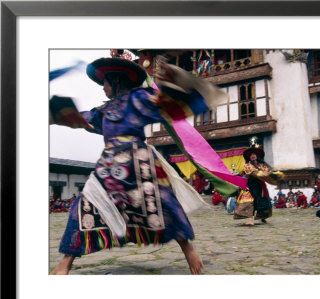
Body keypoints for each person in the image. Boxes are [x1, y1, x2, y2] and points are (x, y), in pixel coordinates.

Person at [50, 50, 230, 275]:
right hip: (108, 167)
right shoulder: (103, 111)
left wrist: (174, 80)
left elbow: (173, 104)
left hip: (139, 162)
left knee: (164, 203)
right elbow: (79, 118)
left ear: (116, 81)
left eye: (105, 83)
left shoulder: (140, 99)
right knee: (85, 204)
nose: (103, 88)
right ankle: (67, 261)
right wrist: (53, 111)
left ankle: (188, 248)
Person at [233, 137, 284, 226]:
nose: (252, 156)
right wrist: (263, 174)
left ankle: (263, 218)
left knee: (264, 202)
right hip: (250, 186)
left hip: (260, 186)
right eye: (251, 154)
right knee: (250, 202)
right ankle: (250, 220)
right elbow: (254, 173)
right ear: (249, 156)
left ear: (257, 155)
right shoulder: (247, 165)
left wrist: (275, 175)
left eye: (254, 154)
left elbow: (268, 172)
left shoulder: (262, 165)